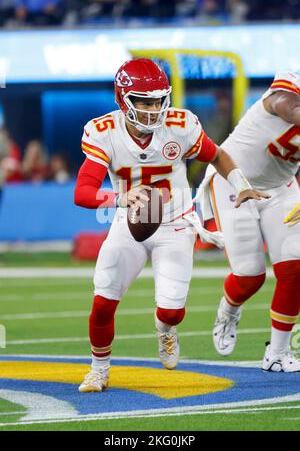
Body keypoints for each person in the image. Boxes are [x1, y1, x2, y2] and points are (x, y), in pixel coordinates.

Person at [74, 58, 268, 393]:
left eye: (157, 100)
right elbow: (83, 192)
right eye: (143, 102)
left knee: (172, 311)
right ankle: (98, 369)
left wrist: (242, 184)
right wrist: (121, 199)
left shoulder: (181, 124)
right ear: (123, 99)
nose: (152, 110)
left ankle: (165, 329)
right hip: (130, 219)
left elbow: (216, 155)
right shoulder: (104, 131)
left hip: (177, 223)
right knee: (103, 300)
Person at [197, 70, 300, 372]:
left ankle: (278, 354)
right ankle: (228, 310)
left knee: (294, 267)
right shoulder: (287, 90)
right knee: (250, 276)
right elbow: (287, 106)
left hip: (281, 188)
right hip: (235, 181)